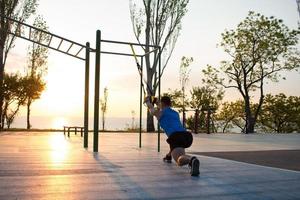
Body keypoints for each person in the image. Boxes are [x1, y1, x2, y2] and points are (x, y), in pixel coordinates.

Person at [144, 95, 200, 176]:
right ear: (170, 103)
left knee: (179, 160)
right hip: (187, 136)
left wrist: (147, 102)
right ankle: (169, 156)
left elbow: (152, 110)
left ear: (162, 103)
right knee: (176, 148)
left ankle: (191, 160)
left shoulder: (160, 113)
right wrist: (157, 102)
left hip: (176, 137)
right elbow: (162, 107)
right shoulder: (175, 113)